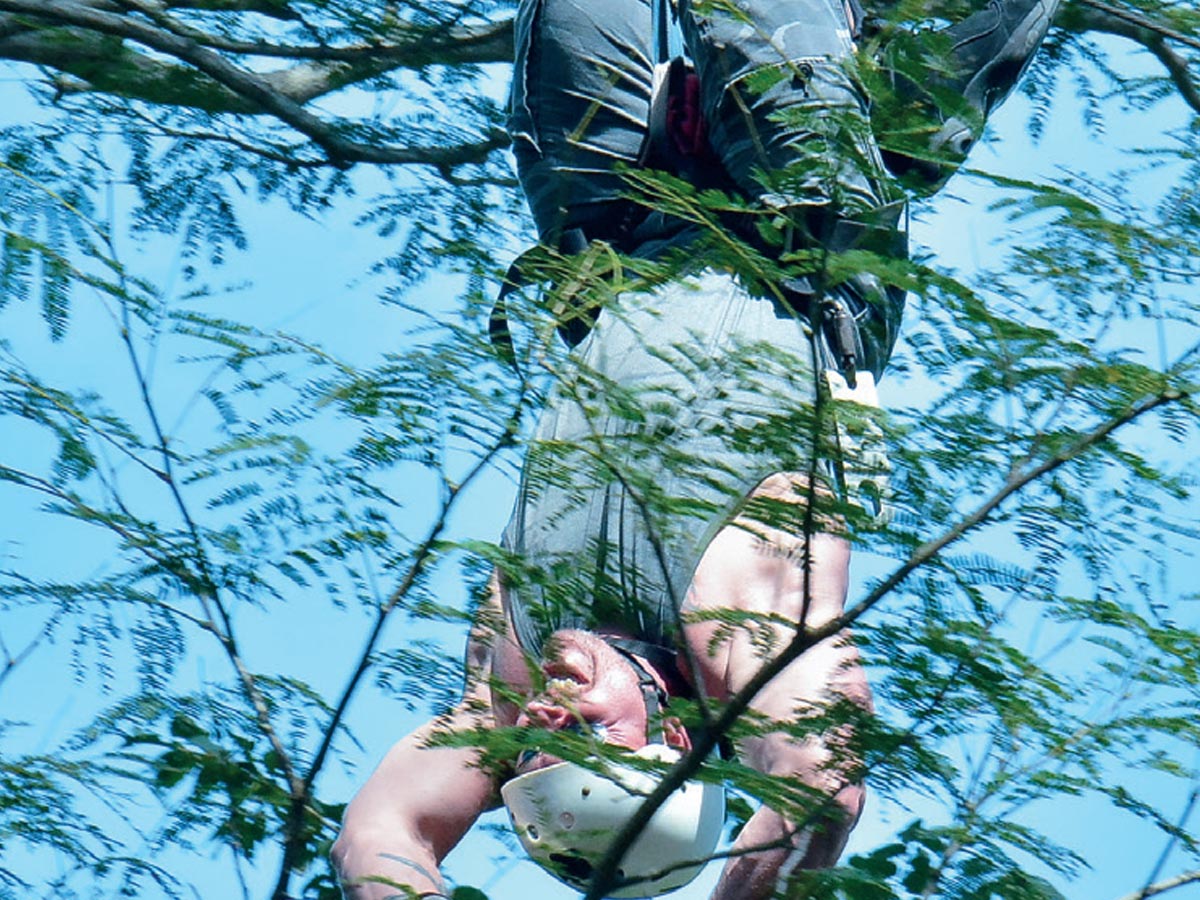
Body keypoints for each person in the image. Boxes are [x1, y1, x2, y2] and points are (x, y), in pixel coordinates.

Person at [332, 0, 1060, 897]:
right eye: (585, 734)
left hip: (612, 224)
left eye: (535, 751)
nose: (551, 716)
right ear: (675, 738)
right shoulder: (740, 628)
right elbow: (818, 789)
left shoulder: (509, 681)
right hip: (792, 213)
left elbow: (381, 830)